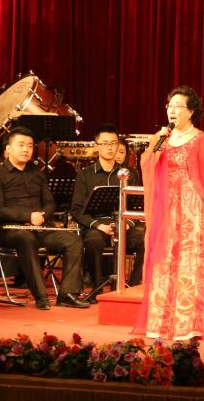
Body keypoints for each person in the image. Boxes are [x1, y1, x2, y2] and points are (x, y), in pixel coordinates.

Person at [138, 86, 204, 339]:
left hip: (191, 209)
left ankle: (189, 323)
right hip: (165, 209)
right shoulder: (161, 137)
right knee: (164, 259)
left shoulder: (202, 140)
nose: (172, 110)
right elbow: (146, 165)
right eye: (170, 106)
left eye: (178, 106)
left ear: (191, 111)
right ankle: (161, 322)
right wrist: (155, 148)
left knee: (189, 263)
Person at [0, 127, 89, 310]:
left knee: (74, 241)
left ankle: (67, 294)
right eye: (21, 145)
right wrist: (28, 217)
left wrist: (41, 217)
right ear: (8, 148)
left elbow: (50, 203)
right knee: (26, 238)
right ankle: (41, 296)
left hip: (40, 227)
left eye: (29, 146)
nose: (26, 149)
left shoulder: (37, 173)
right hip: (12, 230)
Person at [70, 124, 145, 296]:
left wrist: (127, 223)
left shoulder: (128, 174)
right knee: (93, 242)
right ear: (96, 146)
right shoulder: (85, 174)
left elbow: (136, 206)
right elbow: (76, 210)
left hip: (123, 224)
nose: (110, 147)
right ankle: (98, 286)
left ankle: (132, 285)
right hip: (97, 226)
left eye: (113, 143)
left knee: (145, 240)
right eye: (105, 143)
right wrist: (99, 225)